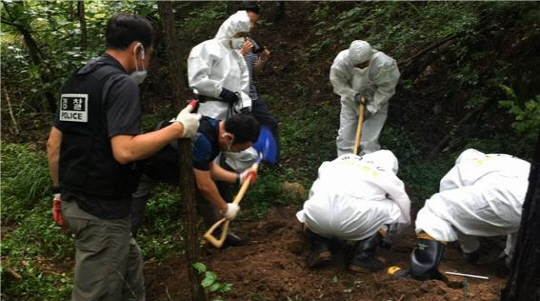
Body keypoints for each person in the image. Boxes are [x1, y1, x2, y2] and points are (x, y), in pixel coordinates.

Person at [46, 13, 201, 301]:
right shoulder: (121, 84)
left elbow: (55, 143)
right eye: (150, 54)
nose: (149, 63)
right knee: (97, 293)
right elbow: (125, 151)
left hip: (76, 201)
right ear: (138, 49)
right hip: (101, 210)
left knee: (130, 270)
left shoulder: (79, 80)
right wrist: (179, 129)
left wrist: (58, 194)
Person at [389, 149, 530, 281]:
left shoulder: (463, 168)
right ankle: (509, 266)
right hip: (533, 200)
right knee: (523, 227)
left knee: (435, 208)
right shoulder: (508, 161)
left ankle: (420, 272)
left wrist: (470, 251)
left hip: (498, 197)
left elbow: (454, 217)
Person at [132, 114, 260, 247]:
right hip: (143, 167)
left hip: (172, 166)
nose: (237, 152)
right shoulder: (201, 139)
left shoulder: (215, 129)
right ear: (229, 138)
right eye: (238, 149)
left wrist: (239, 178)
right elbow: (204, 184)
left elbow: (208, 168)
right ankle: (123, 251)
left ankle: (218, 236)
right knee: (131, 215)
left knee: (208, 196)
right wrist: (225, 208)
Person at [296, 150, 411, 272]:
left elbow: (317, 187)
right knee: (394, 208)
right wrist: (394, 236)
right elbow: (403, 204)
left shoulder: (341, 160)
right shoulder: (385, 174)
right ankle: (363, 257)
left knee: (312, 206)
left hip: (317, 218)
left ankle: (320, 246)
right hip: (355, 224)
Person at [330, 40, 400, 156]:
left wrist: (372, 107)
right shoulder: (341, 62)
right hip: (350, 101)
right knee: (346, 136)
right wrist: (353, 95)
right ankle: (346, 162)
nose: (361, 67)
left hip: (376, 101)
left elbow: (386, 89)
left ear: (370, 57)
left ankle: (368, 164)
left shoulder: (383, 63)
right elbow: (337, 83)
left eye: (364, 64)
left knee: (370, 139)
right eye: (357, 65)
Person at [238, 2, 281, 163]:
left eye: (254, 22)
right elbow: (225, 70)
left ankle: (273, 164)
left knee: (271, 123)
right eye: (250, 21)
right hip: (235, 99)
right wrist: (241, 54)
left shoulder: (250, 41)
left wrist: (263, 59)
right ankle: (245, 167)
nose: (251, 26)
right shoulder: (226, 42)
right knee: (245, 131)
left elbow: (254, 71)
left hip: (252, 96)